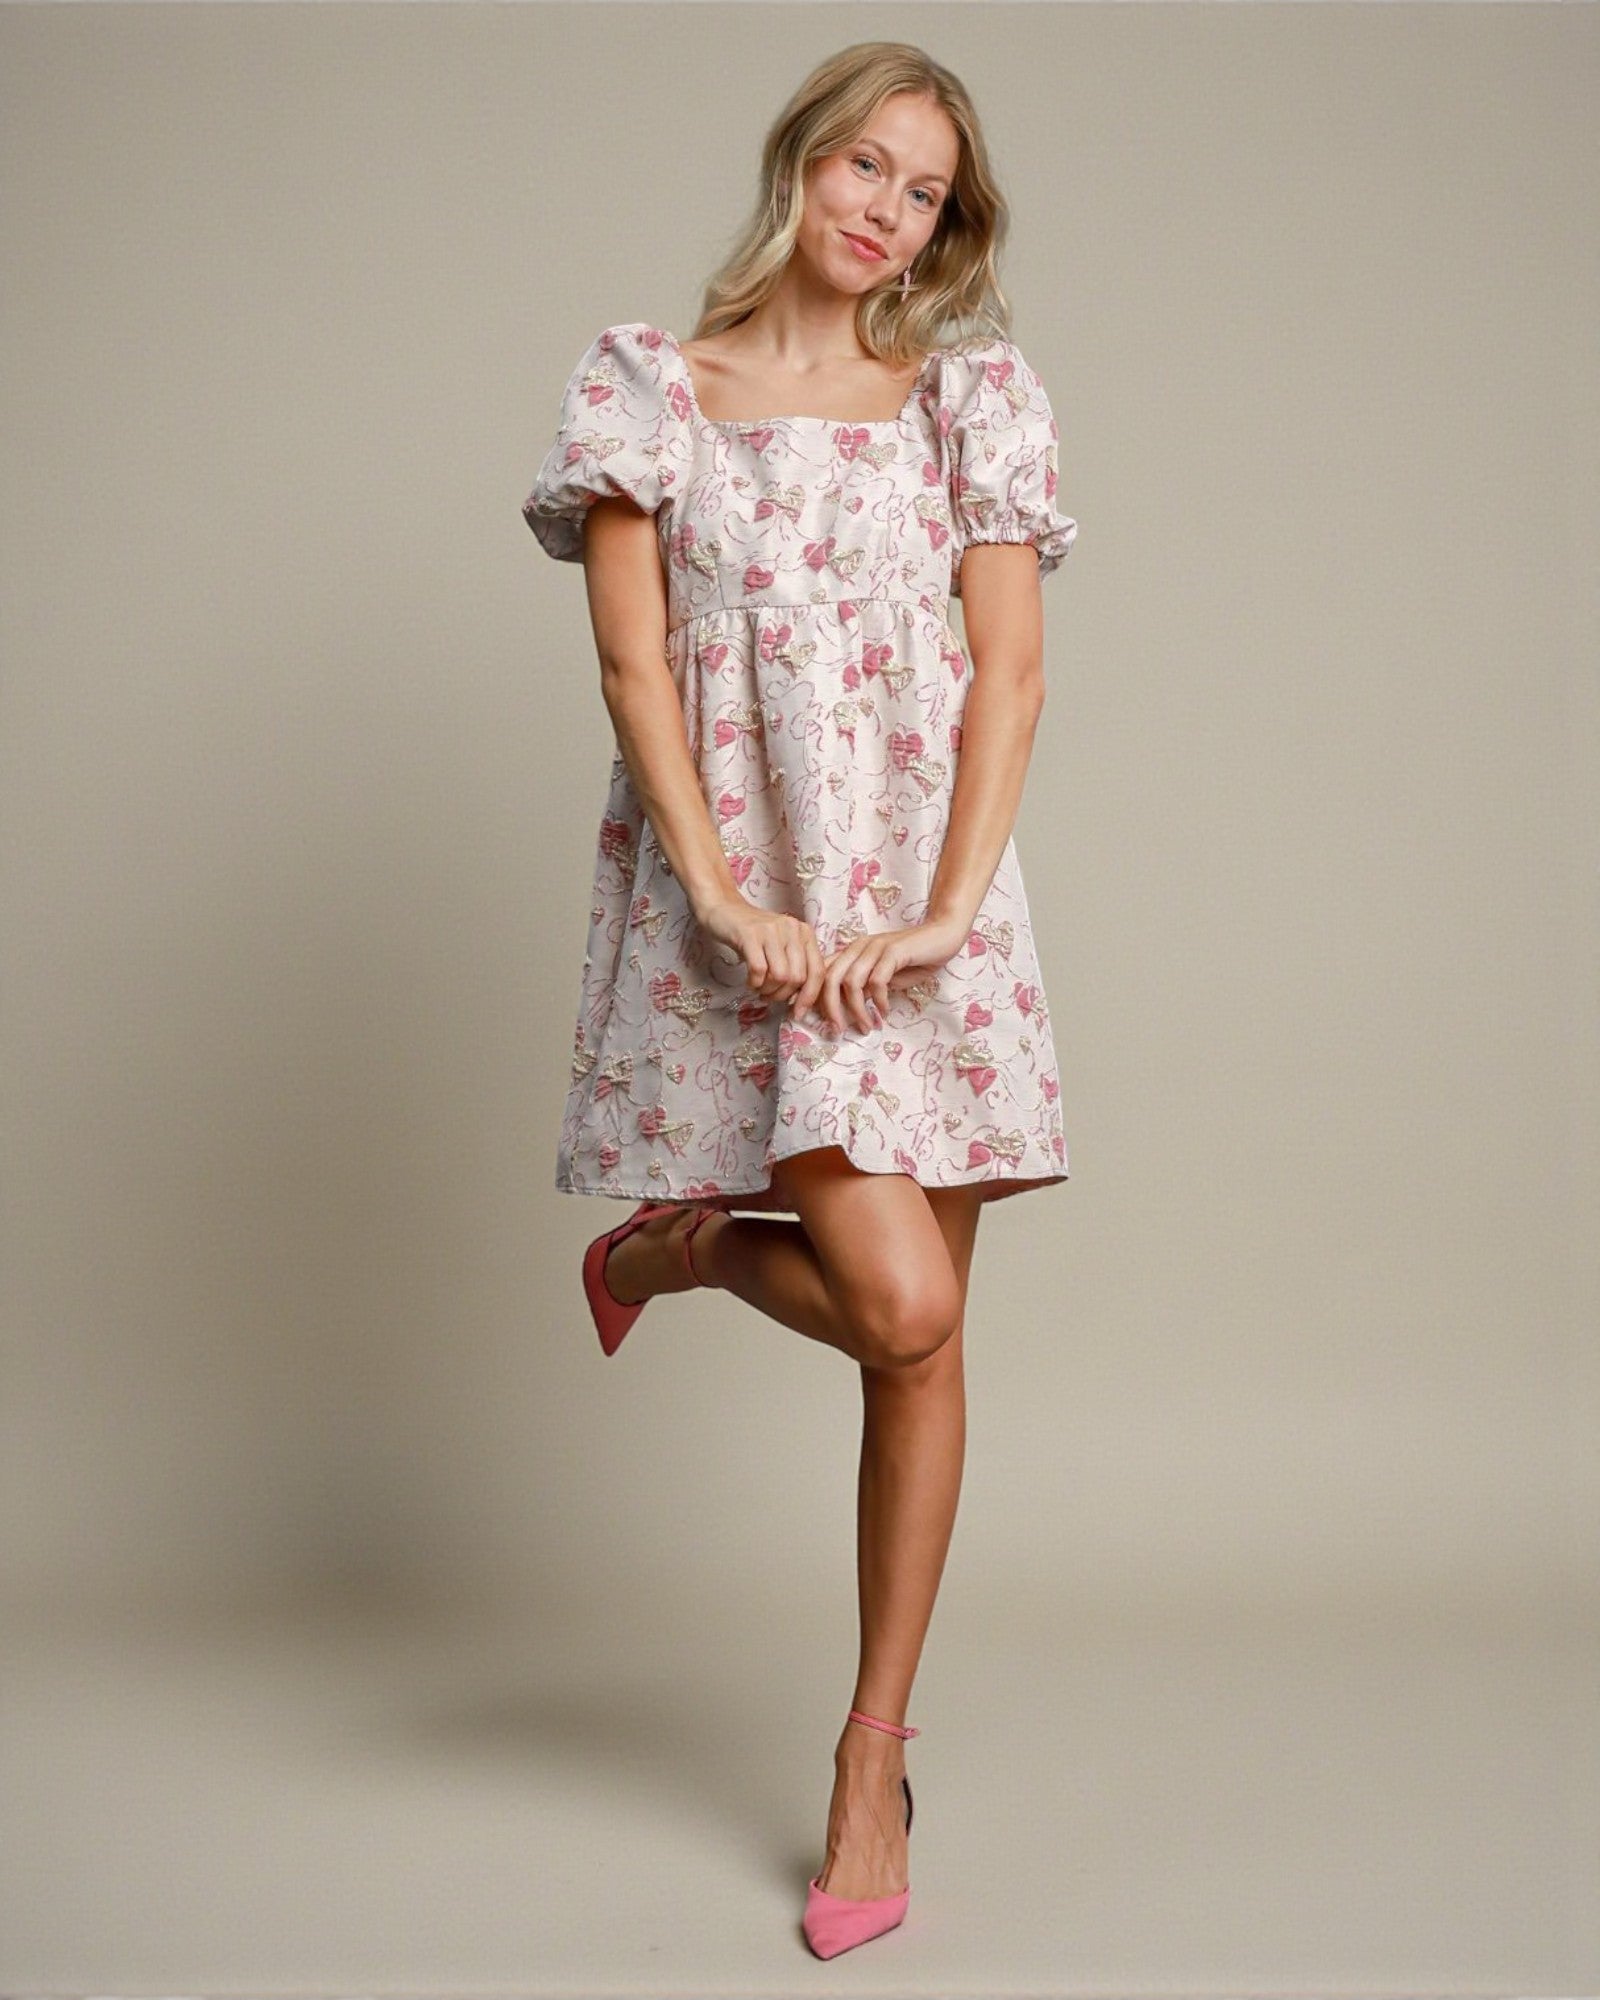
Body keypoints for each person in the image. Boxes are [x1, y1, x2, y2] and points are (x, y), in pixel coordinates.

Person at [520, 40, 1078, 1961]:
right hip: (748, 914)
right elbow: (634, 675)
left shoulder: (970, 405)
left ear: (946, 224)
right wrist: (719, 893)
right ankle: (677, 1254)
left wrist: (935, 920)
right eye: (862, 164)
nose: (883, 209)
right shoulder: (647, 395)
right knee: (901, 1305)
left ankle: (867, 1754)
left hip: (927, 926)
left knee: (919, 1350)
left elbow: (1005, 676)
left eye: (922, 192)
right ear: (799, 161)